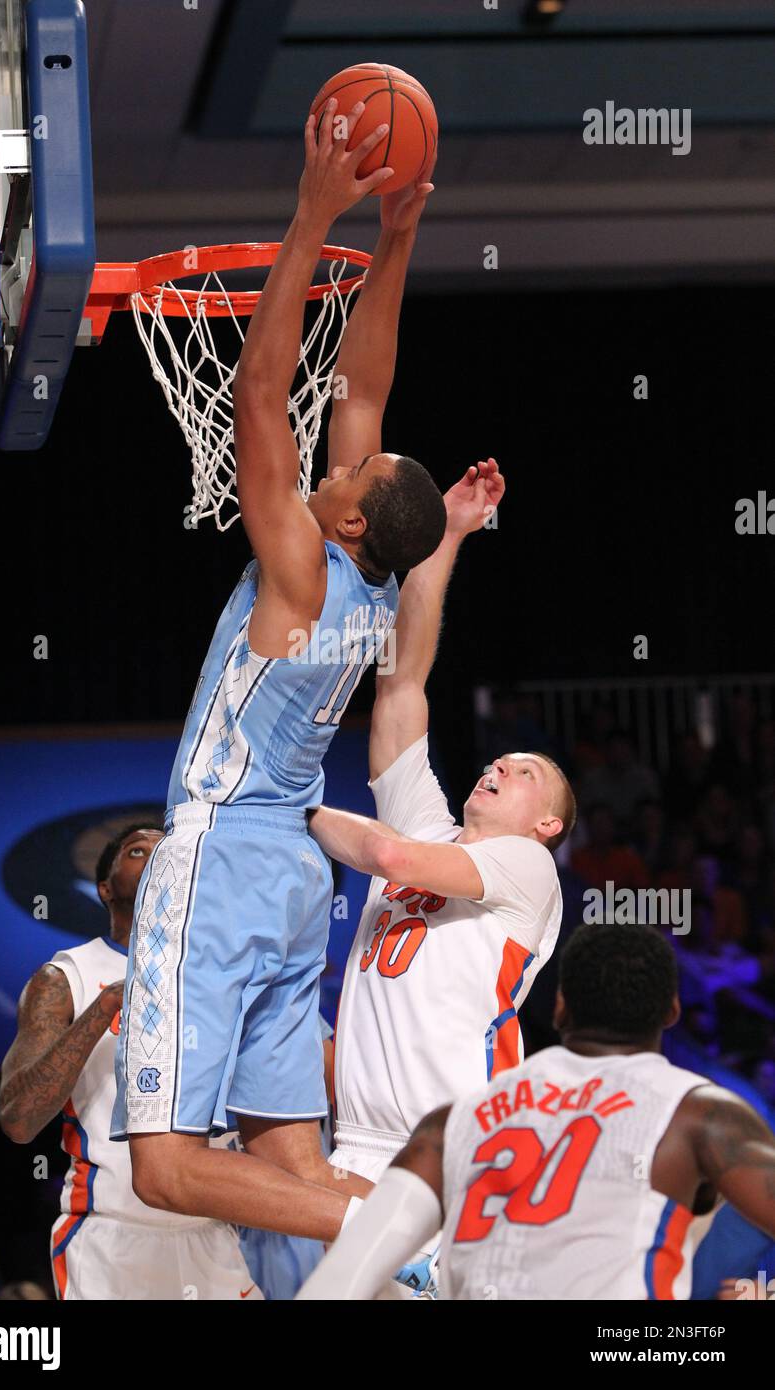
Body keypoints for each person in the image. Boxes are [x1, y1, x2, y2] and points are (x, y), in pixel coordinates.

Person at [113, 99, 447, 1243]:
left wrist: (314, 216)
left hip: (219, 856)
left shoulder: (302, 573)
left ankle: (413, 1244)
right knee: (286, 1160)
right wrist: (395, 235)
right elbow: (360, 387)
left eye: (350, 479)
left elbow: (264, 393)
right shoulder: (366, 590)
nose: (335, 465)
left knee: (163, 1169)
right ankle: (400, 1260)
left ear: (350, 524)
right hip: (294, 881)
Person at [305, 462, 571, 1203]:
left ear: (547, 823)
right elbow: (402, 682)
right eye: (499, 760)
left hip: (461, 1149)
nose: (497, 766)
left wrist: (288, 806)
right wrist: (447, 536)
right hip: (356, 1145)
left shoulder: (529, 867)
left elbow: (386, 855)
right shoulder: (434, 826)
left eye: (523, 773)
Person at [297, 924, 775, 1300]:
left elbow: (338, 1281)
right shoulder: (699, 1115)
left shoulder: (455, 1121)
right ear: (672, 1011)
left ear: (561, 1007)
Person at [0, 825, 261, 1300]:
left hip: (212, 1232)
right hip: (112, 1237)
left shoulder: (227, 976)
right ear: (105, 888)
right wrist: (107, 1005)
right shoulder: (67, 976)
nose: (156, 859)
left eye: (167, 851)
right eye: (138, 851)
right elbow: (19, 1118)